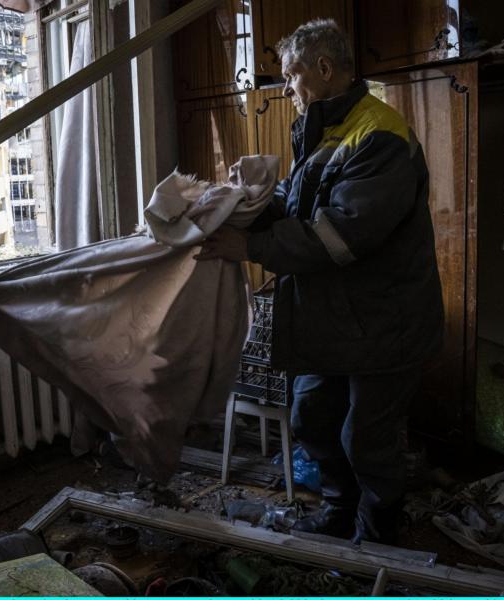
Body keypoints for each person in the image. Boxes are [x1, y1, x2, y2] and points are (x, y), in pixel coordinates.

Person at [196, 19, 444, 544]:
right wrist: (241, 208)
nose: (285, 89)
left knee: (367, 440)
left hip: (383, 323)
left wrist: (252, 247)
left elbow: (342, 235)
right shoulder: (321, 128)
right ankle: (338, 514)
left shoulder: (381, 135)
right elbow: (294, 201)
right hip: (333, 320)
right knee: (311, 418)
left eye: (291, 75)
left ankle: (376, 538)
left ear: (324, 69)